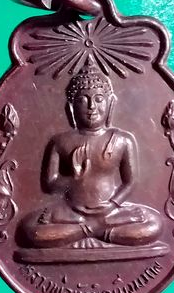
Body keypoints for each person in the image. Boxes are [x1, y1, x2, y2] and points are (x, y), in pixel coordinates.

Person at [20, 63, 162, 249]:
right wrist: (73, 177)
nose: (91, 106)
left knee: (154, 224)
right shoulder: (60, 142)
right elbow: (50, 185)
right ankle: (97, 229)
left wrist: (113, 204)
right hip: (71, 212)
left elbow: (130, 182)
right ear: (71, 107)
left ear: (110, 103)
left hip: (111, 211)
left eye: (98, 99)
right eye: (83, 100)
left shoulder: (122, 140)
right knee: (31, 229)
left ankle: (84, 230)